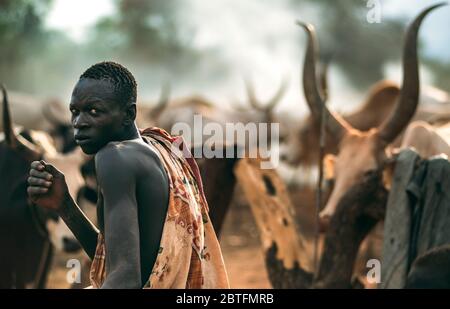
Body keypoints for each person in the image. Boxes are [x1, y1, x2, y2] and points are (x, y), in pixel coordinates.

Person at [27, 61, 229, 288]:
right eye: (75, 111)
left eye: (94, 111)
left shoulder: (114, 157)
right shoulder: (159, 147)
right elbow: (115, 261)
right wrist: (65, 206)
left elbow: (125, 280)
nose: (79, 123)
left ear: (129, 113)